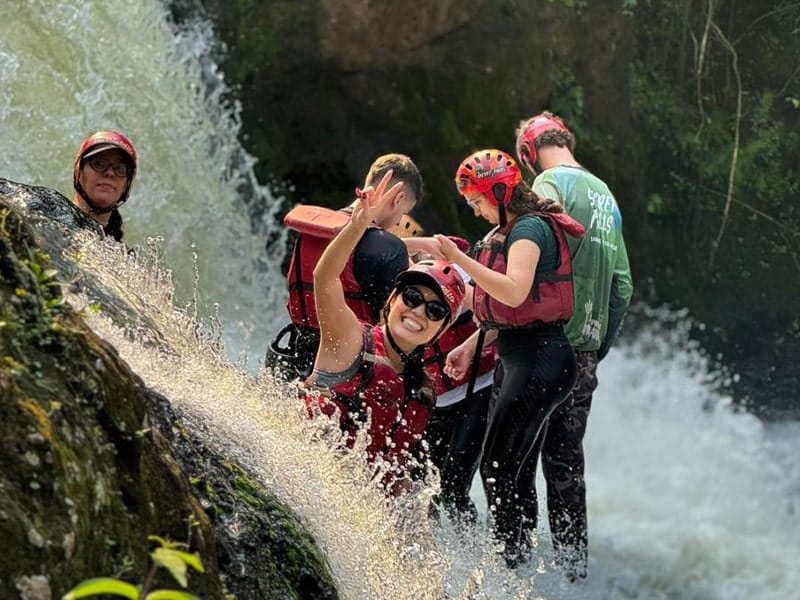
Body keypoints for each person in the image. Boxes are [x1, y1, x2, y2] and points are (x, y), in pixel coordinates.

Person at [430, 149, 585, 567]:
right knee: (510, 472)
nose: (475, 211)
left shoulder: (530, 229)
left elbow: (515, 291)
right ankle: (517, 569)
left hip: (542, 360)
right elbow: (509, 311)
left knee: (497, 468)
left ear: (499, 192)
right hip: (524, 358)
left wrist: (458, 260)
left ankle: (508, 567)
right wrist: (468, 345)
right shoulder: (509, 229)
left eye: (476, 202)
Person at [515, 111, 634, 580]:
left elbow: (528, 264)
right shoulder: (607, 196)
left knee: (514, 459)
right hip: (581, 353)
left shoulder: (547, 186)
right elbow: (622, 286)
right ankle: (571, 578)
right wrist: (595, 350)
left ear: (527, 153)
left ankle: (515, 571)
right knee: (566, 467)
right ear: (569, 140)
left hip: (539, 345)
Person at [304, 170, 465, 495]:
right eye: (413, 298)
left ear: (440, 330)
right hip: (307, 483)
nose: (419, 312)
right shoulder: (349, 338)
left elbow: (396, 474)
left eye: (434, 311)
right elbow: (324, 278)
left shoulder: (422, 390)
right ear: (392, 300)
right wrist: (358, 224)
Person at [266, 153, 423, 379]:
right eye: (404, 213)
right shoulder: (389, 249)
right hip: (347, 370)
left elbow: (352, 248)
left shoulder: (315, 228)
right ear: (397, 199)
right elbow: (394, 331)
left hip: (296, 354)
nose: (400, 222)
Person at [72, 130, 137, 242]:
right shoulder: (47, 219)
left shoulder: (122, 256)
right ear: (79, 172)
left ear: (127, 184)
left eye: (120, 168)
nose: (110, 173)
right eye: (99, 164)